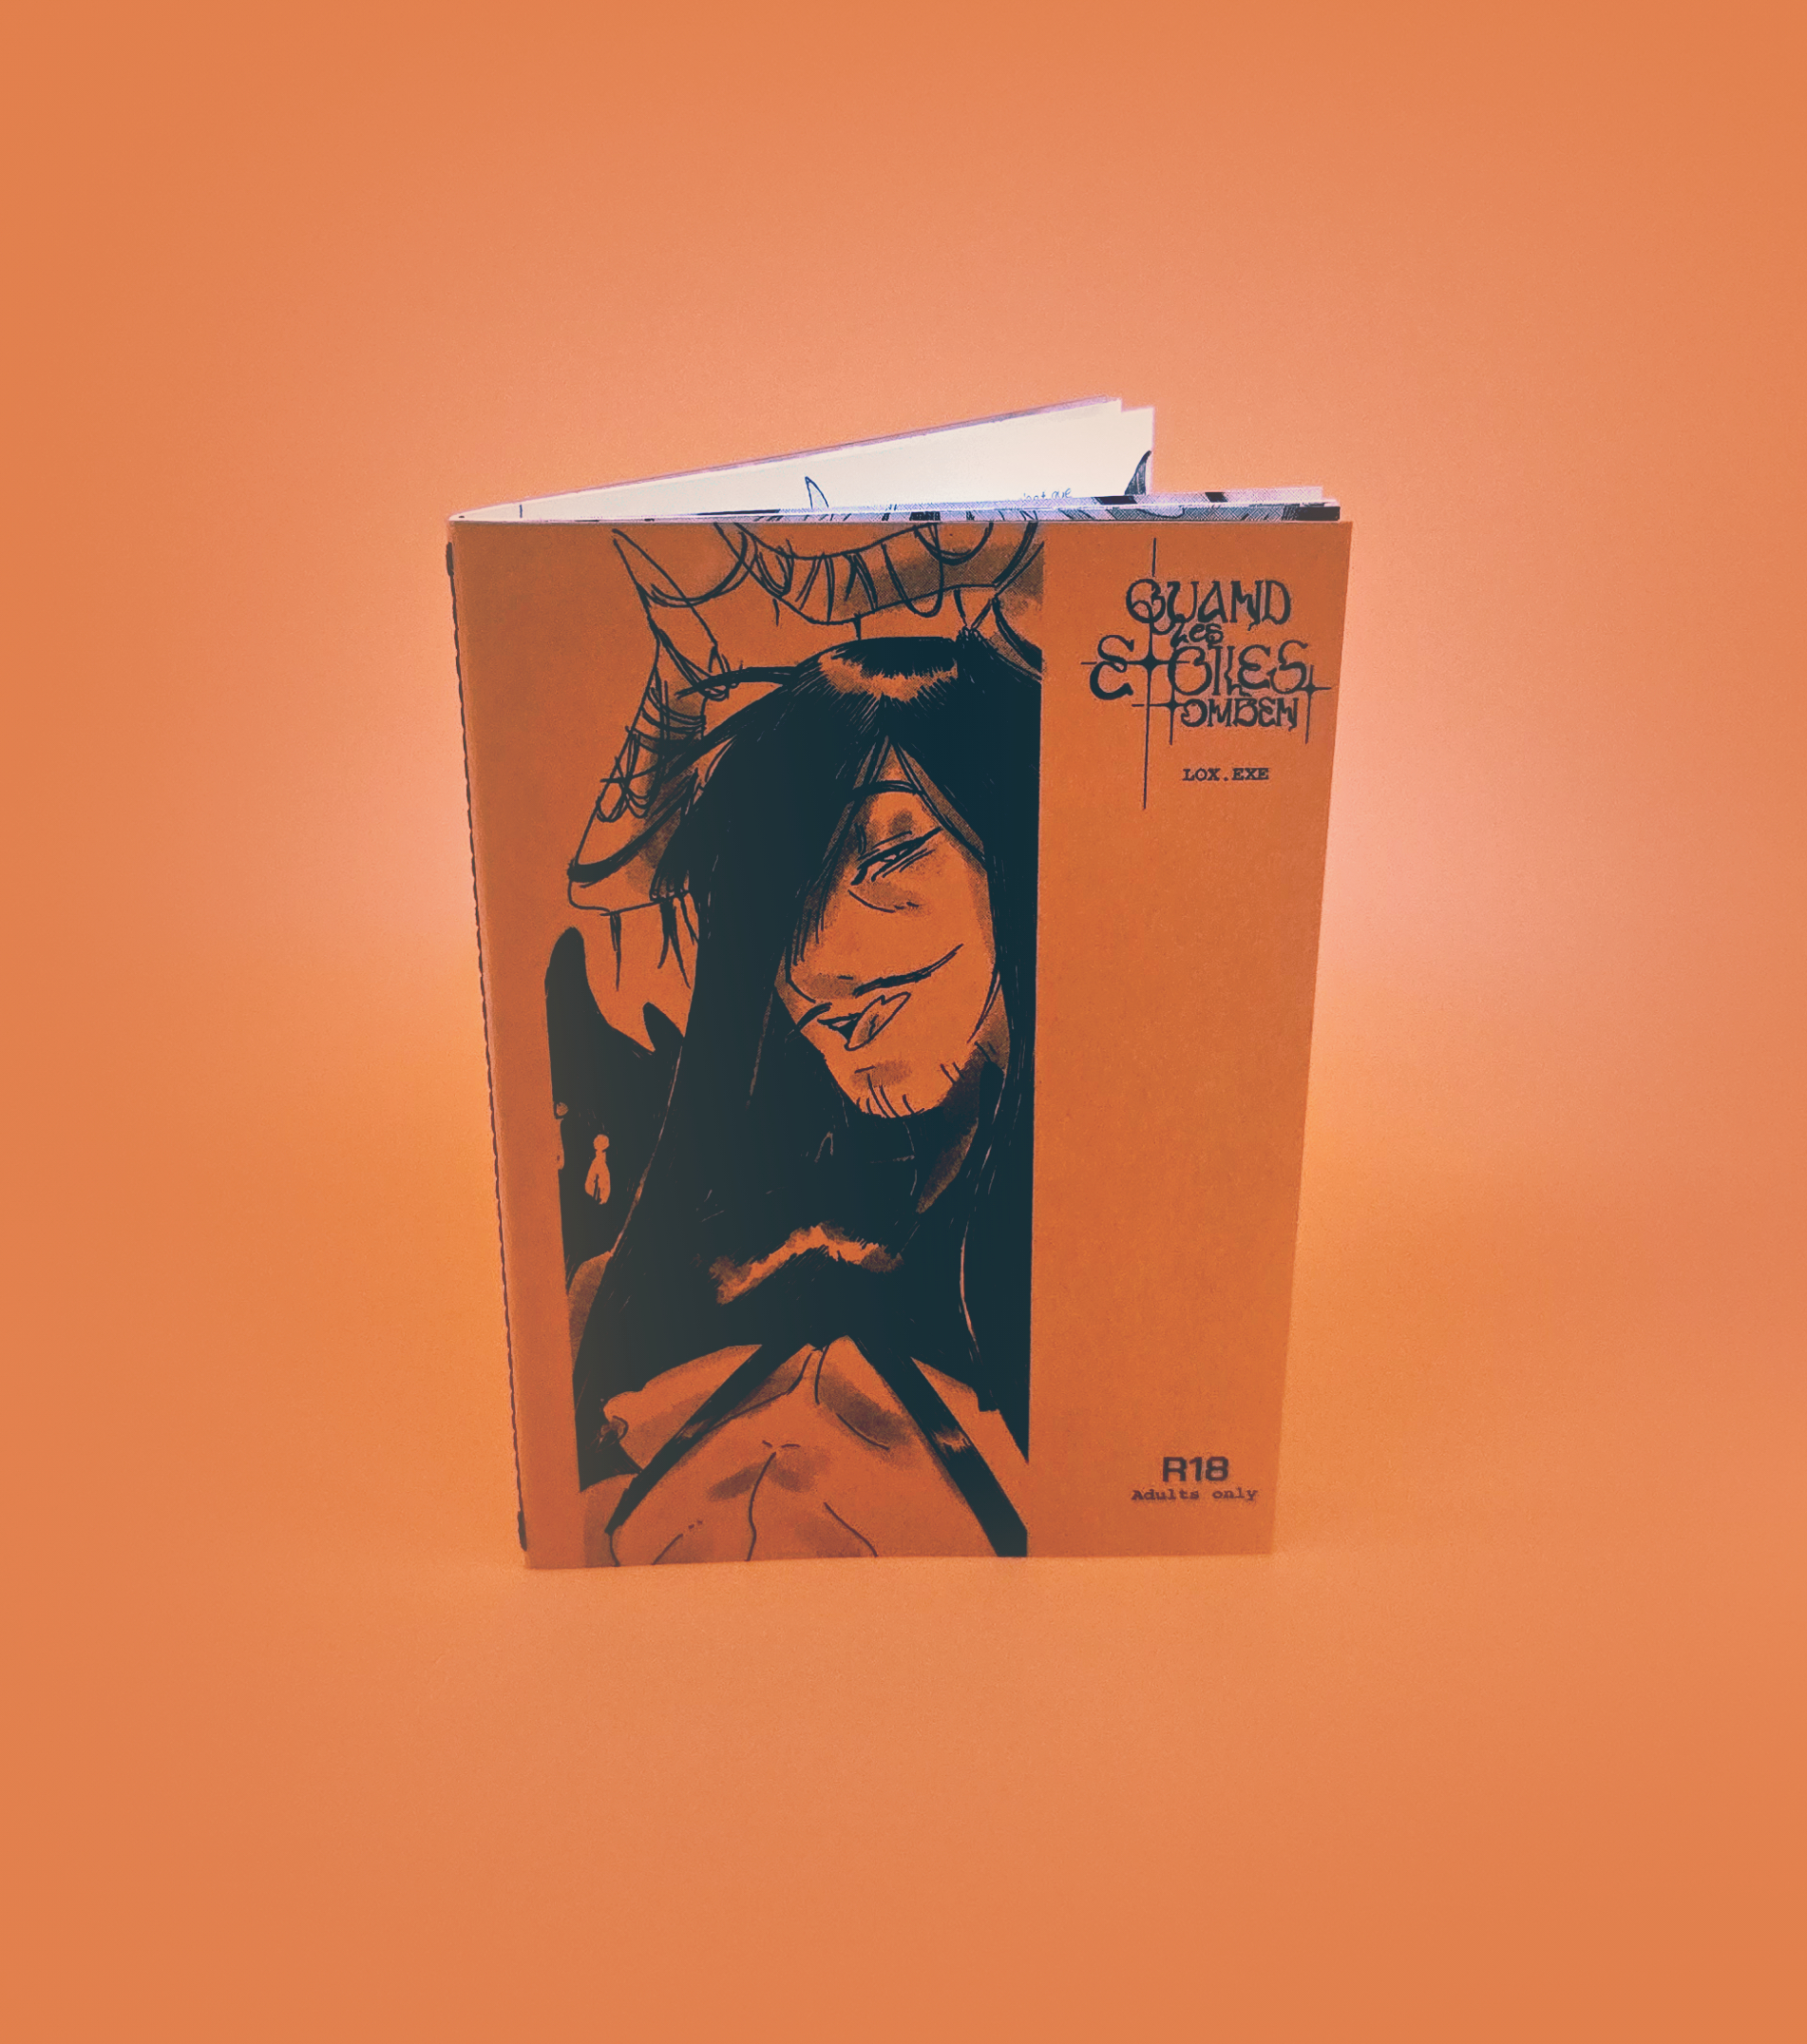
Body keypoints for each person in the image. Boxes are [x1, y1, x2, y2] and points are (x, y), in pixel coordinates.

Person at [564, 629, 1038, 1563]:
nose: (821, 963)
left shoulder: (1104, 1251)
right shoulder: (663, 1287)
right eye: (784, 890)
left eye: (892, 858)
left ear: (1017, 850)